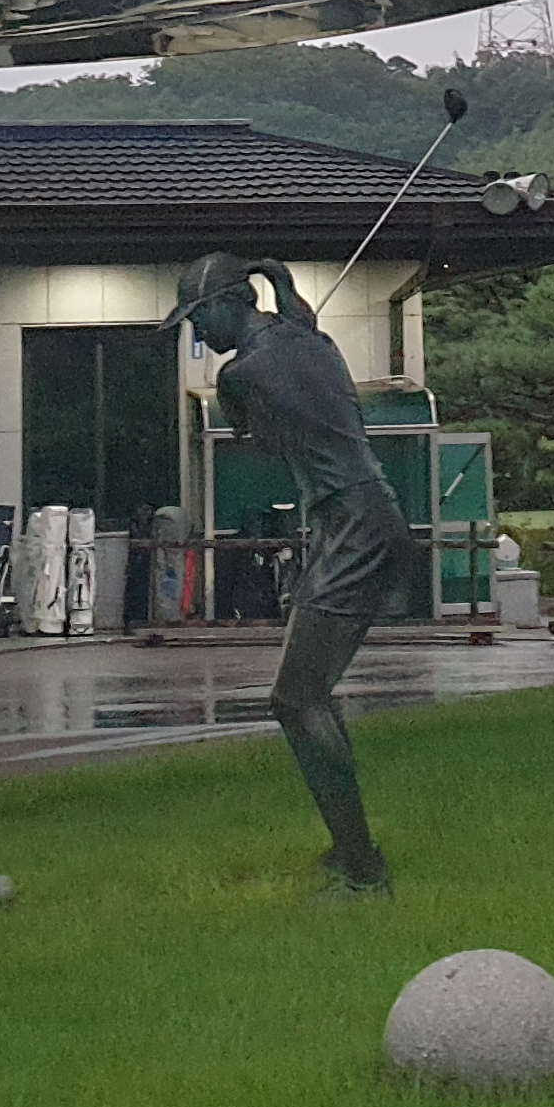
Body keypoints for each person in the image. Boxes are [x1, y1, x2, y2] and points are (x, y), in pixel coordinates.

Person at [166, 251, 410, 895]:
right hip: (364, 516)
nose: (197, 332)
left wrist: (275, 288)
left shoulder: (240, 374)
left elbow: (260, 441)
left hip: (353, 525)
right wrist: (280, 283)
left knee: (295, 700)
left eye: (199, 316)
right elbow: (297, 323)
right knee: (311, 695)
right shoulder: (311, 341)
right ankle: (352, 848)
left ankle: (363, 873)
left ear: (233, 300)